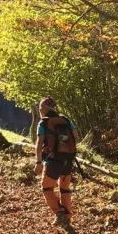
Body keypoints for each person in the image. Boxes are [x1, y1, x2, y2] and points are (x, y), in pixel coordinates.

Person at [34, 97, 79, 227]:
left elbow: (39, 143)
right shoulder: (66, 120)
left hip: (53, 161)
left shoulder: (44, 122)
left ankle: (59, 213)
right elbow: (76, 138)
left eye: (40, 108)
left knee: (47, 188)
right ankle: (67, 216)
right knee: (65, 188)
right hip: (68, 160)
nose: (40, 110)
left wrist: (38, 162)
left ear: (44, 108)